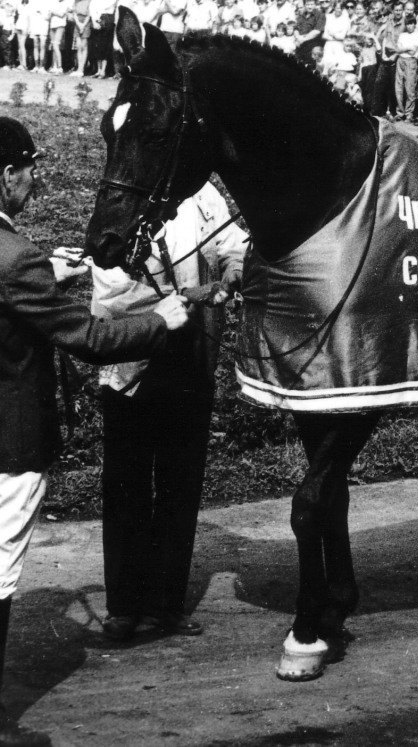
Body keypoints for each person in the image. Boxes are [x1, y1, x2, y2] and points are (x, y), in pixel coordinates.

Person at [0, 116, 189, 747]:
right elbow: (91, 339)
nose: (34, 180)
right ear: (7, 176)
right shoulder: (12, 256)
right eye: (30, 169)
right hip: (11, 444)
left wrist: (49, 274)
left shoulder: (19, 259)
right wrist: (161, 318)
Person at [91, 182, 246, 644]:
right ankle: (124, 606)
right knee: (127, 483)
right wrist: (188, 295)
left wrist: (234, 267)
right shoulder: (122, 198)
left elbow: (230, 241)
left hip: (191, 358)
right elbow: (113, 288)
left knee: (181, 483)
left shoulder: (203, 195)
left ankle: (166, 604)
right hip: (132, 361)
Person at [394, 13, 418, 121]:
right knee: (398, 88)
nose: (410, 26)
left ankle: (409, 113)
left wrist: (405, 48)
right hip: (400, 60)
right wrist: (407, 48)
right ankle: (400, 112)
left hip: (411, 62)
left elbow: (413, 51)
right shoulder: (402, 35)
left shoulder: (417, 35)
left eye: (412, 24)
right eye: (408, 24)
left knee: (410, 88)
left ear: (415, 24)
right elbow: (398, 50)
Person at [295, 0, 325, 66]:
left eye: (311, 4)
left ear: (315, 5)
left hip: (312, 46)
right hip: (299, 45)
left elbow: (317, 31)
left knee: (309, 68)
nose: (309, 7)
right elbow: (296, 28)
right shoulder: (302, 14)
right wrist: (298, 37)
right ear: (305, 5)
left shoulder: (320, 15)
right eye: (308, 4)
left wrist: (302, 39)